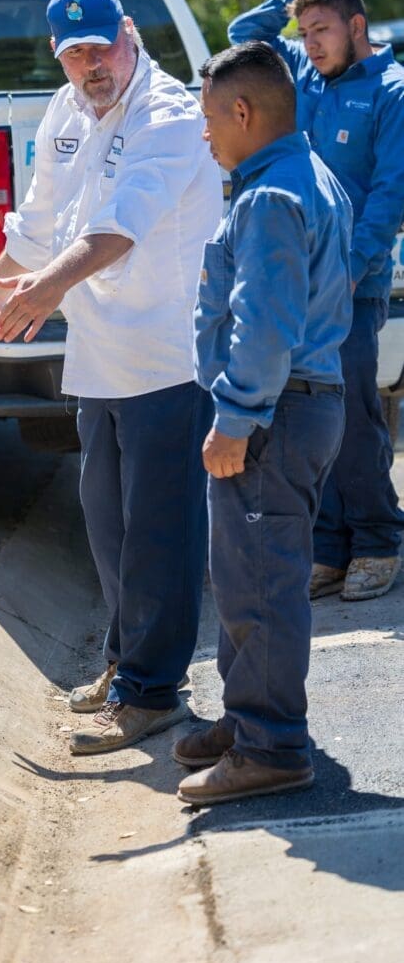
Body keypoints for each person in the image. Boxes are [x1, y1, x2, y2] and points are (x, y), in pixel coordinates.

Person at [0, 0, 222, 756]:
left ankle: (154, 693)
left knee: (159, 529)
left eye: (100, 47)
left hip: (167, 353)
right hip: (97, 356)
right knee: (105, 519)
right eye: (73, 54)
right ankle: (126, 663)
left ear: (128, 33)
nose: (90, 66)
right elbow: (36, 224)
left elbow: (117, 226)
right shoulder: (66, 110)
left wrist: (44, 290)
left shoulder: (167, 115)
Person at [177, 42, 352, 805]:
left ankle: (272, 745)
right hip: (302, 407)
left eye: (210, 117)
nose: (206, 134)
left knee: (260, 581)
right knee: (248, 576)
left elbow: (264, 323)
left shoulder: (269, 197)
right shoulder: (303, 175)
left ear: (242, 112)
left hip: (275, 414)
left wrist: (236, 417)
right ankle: (250, 718)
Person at [229, 0, 404, 602]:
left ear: (358, 26)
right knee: (307, 416)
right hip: (290, 279)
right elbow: (243, 31)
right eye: (303, 31)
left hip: (351, 288)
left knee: (354, 418)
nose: (311, 43)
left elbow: (388, 199)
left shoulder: (392, 89)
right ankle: (329, 547)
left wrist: (345, 272)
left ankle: (379, 540)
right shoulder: (302, 72)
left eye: (323, 29)